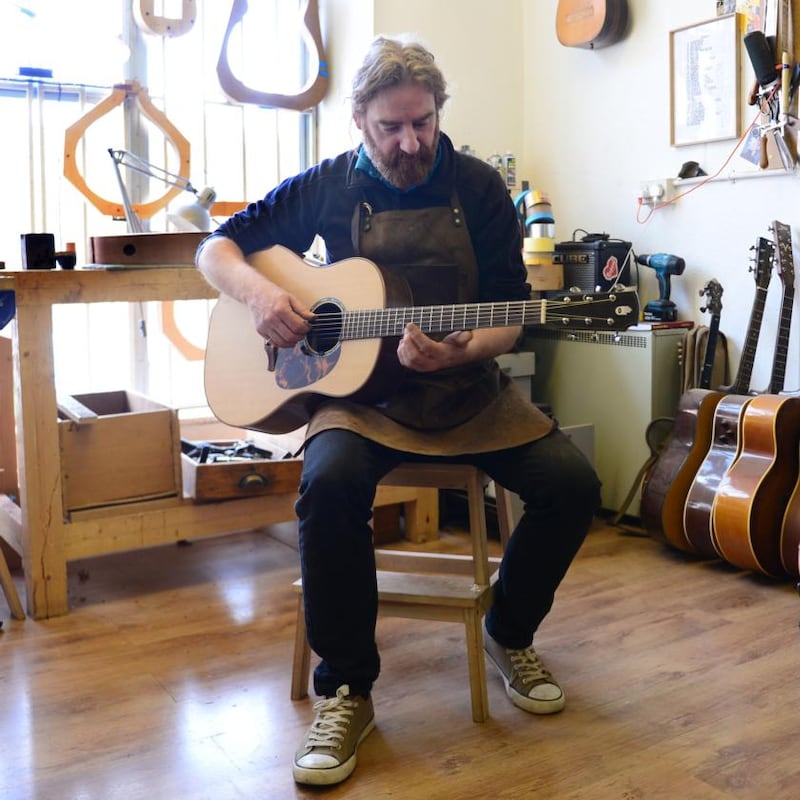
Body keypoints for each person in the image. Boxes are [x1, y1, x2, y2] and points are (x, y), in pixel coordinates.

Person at [196, 34, 601, 788]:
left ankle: (508, 630)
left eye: (425, 122)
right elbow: (216, 249)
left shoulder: (479, 189)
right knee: (330, 484)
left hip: (467, 391)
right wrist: (262, 295)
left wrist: (465, 350)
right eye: (393, 127)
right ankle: (347, 687)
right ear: (358, 120)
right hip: (360, 400)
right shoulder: (327, 185)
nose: (413, 142)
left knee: (573, 484)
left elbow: (509, 313)